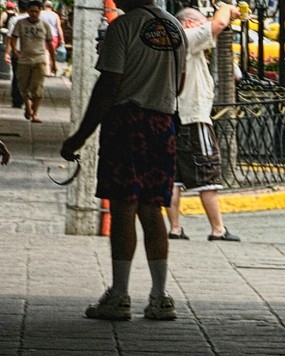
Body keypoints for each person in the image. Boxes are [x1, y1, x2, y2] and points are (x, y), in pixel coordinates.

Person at [60, 0, 186, 321]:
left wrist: (80, 136)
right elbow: (179, 84)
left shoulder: (122, 27)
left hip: (127, 124)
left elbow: (109, 84)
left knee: (122, 207)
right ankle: (160, 297)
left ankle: (119, 294)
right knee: (151, 207)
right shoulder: (175, 27)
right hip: (163, 125)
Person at [166, 4, 241, 242]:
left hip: (176, 116)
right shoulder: (186, 37)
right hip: (194, 117)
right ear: (189, 24)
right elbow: (218, 24)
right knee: (208, 173)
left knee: (174, 176)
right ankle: (218, 228)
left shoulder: (172, 42)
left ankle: (175, 227)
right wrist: (228, 9)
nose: (205, 27)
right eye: (200, 23)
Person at [9, 0, 54, 122]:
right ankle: (28, 108)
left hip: (39, 60)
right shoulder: (20, 23)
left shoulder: (44, 26)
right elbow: (13, 38)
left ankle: (34, 113)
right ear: (28, 11)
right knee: (23, 87)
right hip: (24, 60)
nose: (34, 14)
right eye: (31, 11)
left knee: (37, 88)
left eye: (36, 11)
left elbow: (50, 44)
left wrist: (53, 63)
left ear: (40, 12)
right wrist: (14, 50)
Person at [4, 0, 26, 109]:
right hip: (30, 53)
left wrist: (7, 53)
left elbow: (9, 38)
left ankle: (17, 99)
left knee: (17, 76)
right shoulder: (34, 19)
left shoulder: (14, 19)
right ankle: (26, 99)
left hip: (16, 51)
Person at [39, 0, 60, 73]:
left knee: (46, 52)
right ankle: (52, 70)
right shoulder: (55, 15)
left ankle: (47, 71)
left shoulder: (40, 13)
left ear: (44, 6)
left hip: (43, 35)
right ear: (51, 7)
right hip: (54, 36)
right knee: (52, 52)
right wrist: (62, 38)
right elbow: (58, 27)